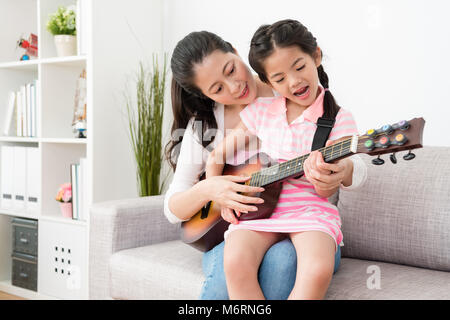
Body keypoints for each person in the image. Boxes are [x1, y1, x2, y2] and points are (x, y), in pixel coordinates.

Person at [165, 30, 366, 299]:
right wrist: (212, 190)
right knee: (236, 262)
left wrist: (345, 171)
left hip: (306, 218)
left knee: (283, 261)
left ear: (236, 53)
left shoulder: (293, 91)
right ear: (205, 95)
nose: (234, 86)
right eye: (217, 89)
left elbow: (351, 158)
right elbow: (173, 208)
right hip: (250, 221)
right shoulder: (205, 126)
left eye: (230, 70)